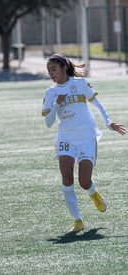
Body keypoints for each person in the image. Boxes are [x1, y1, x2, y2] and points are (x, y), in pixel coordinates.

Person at [42, 53, 125, 232]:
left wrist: (109, 122)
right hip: (66, 138)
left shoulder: (80, 84)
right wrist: (57, 104)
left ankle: (93, 192)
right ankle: (78, 220)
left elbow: (98, 104)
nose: (51, 73)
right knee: (67, 179)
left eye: (54, 69)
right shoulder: (50, 93)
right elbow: (48, 123)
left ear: (64, 68)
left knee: (84, 181)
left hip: (87, 137)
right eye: (49, 70)